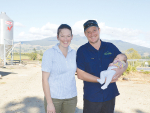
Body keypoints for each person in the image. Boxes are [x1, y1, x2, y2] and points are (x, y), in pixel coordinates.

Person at [76, 20, 128, 113]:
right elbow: (80, 74)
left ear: (99, 30)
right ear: (85, 34)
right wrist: (102, 80)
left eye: (94, 30)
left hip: (109, 95)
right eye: (88, 32)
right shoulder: (82, 50)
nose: (92, 34)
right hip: (92, 97)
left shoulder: (110, 47)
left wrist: (121, 70)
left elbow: (124, 60)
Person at [42, 24, 77, 113]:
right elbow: (44, 79)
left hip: (71, 98)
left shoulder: (75, 54)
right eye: (62, 36)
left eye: (68, 36)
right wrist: (49, 103)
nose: (65, 39)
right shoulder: (49, 53)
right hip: (54, 98)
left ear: (72, 37)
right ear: (58, 37)